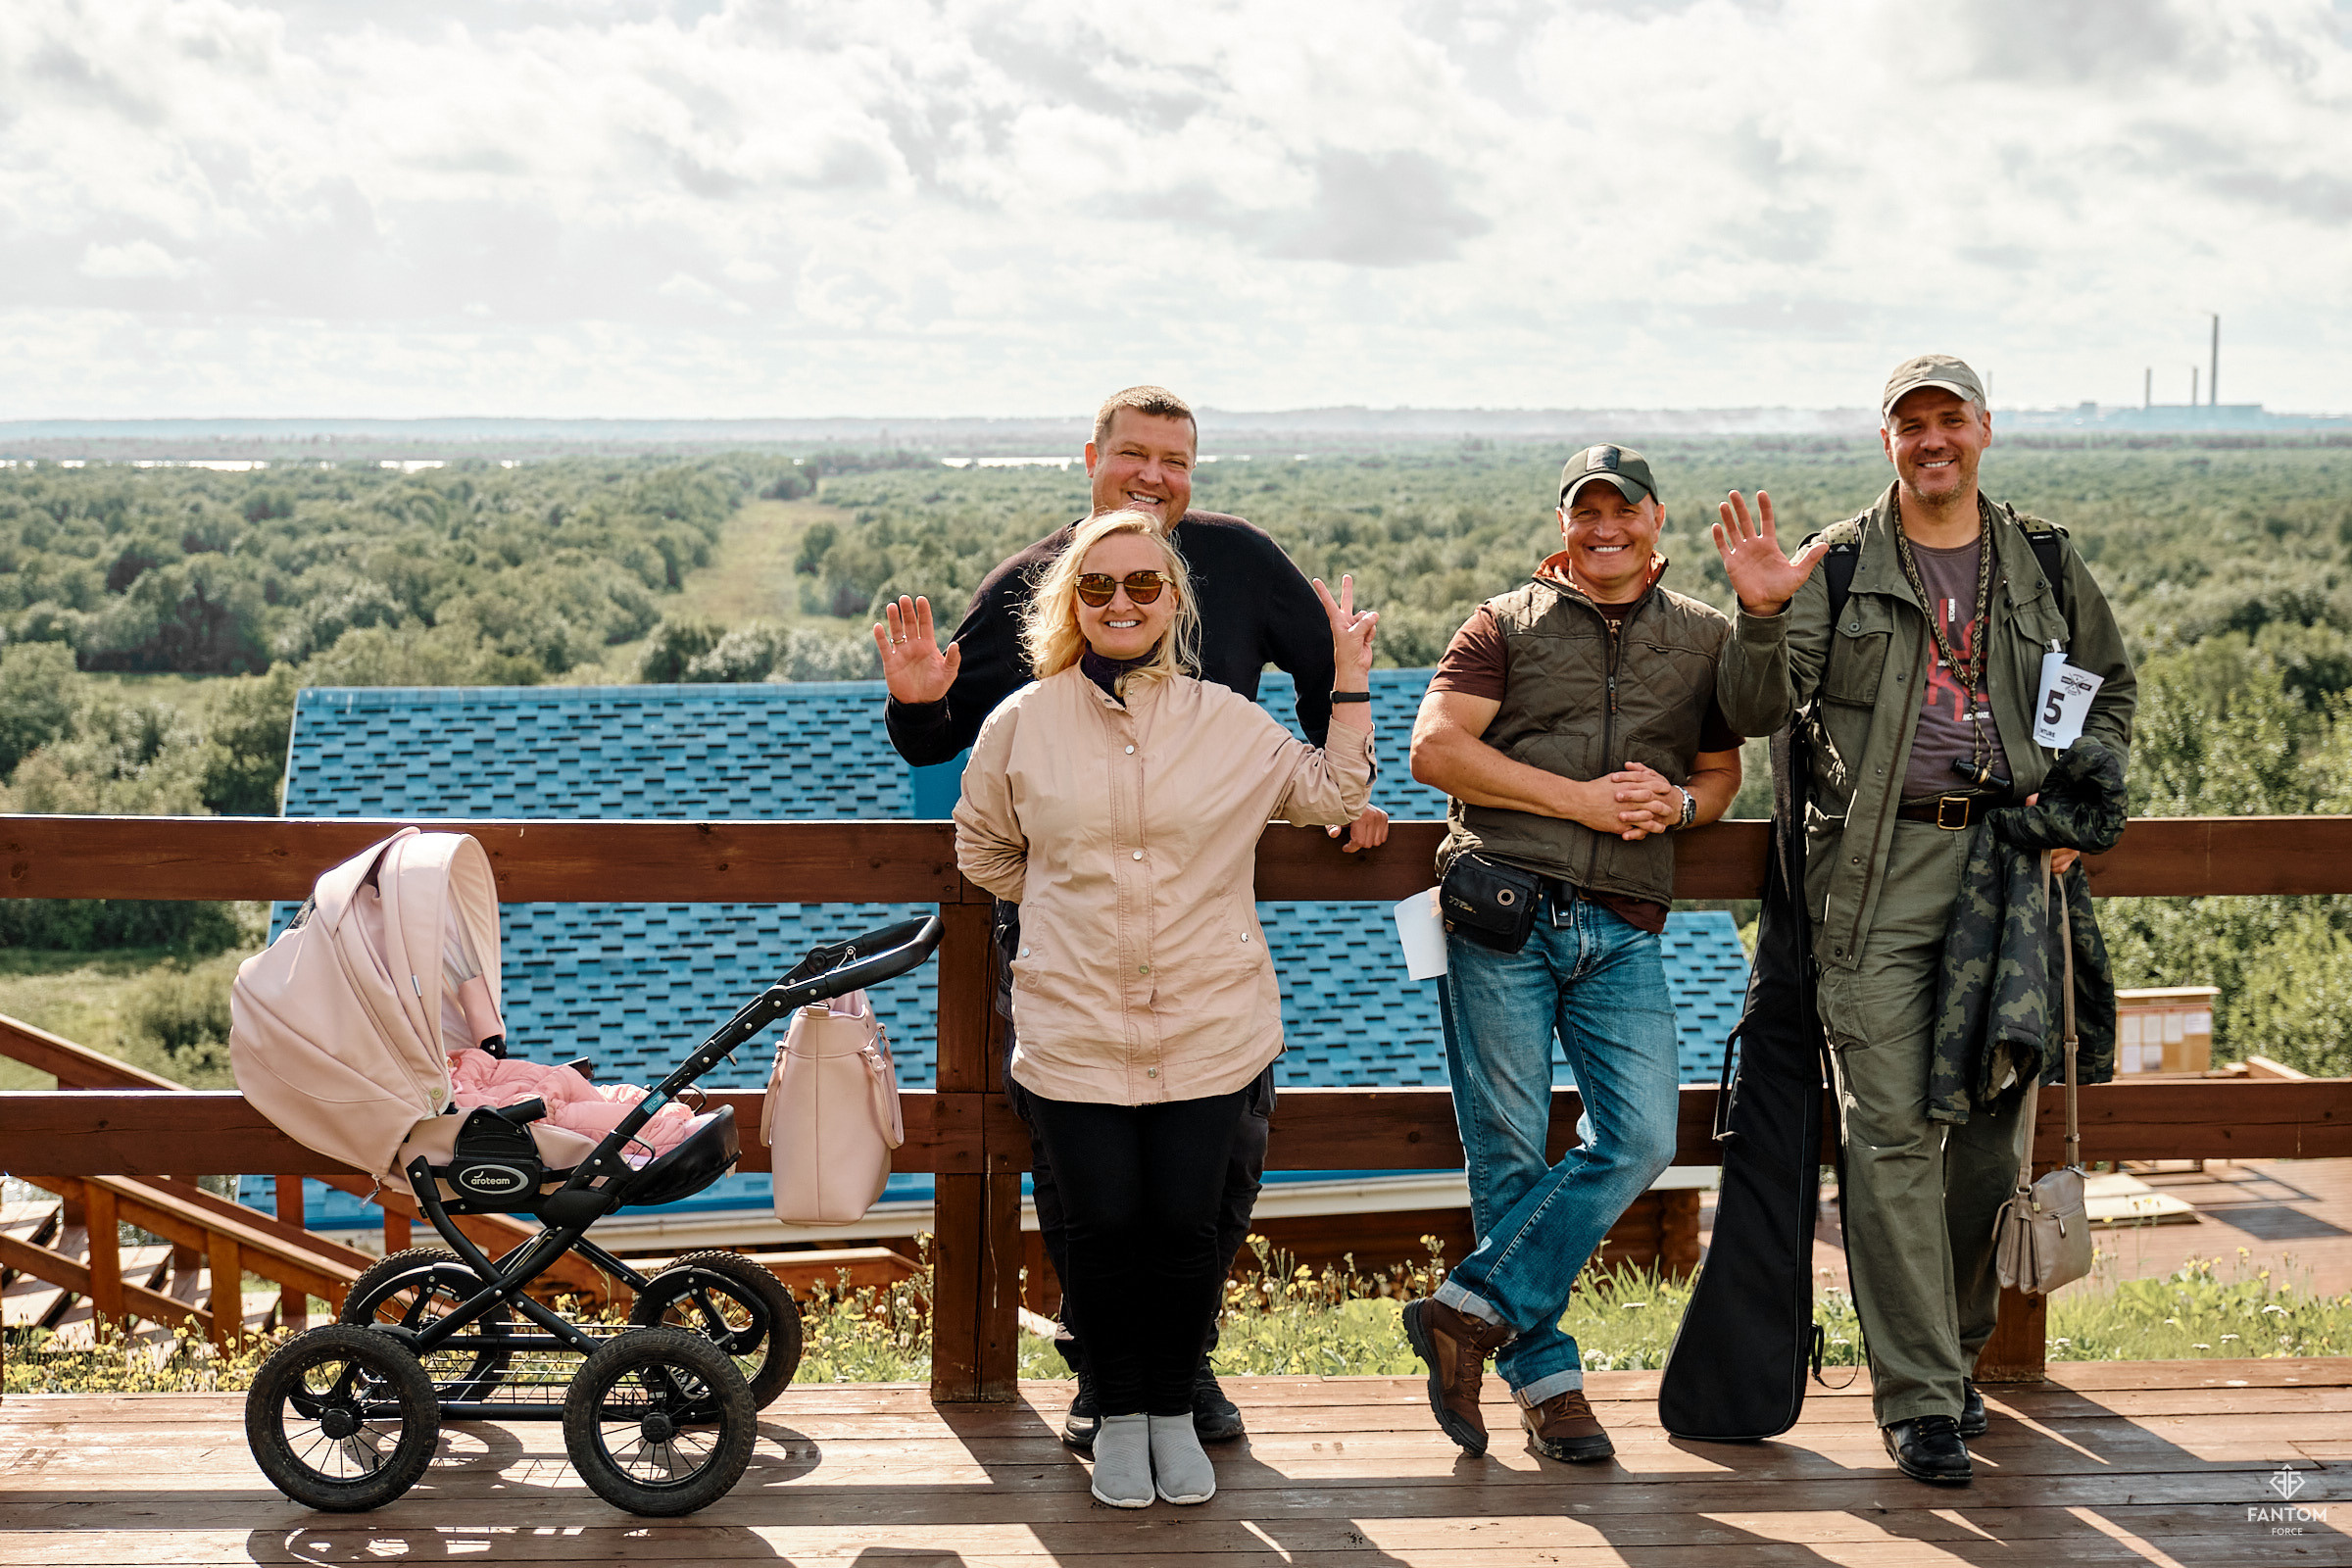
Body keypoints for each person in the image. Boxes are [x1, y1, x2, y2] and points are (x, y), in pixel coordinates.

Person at [877, 385, 1389, 1448]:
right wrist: (924, 699)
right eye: (1135, 454)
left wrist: (1341, 781)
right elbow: (945, 749)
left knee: (1215, 1172)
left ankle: (1181, 1371)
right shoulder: (1028, 584)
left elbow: (1323, 667)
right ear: (1091, 457)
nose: (1155, 475)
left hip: (1204, 946)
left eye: (1176, 459)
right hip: (1068, 953)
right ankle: (1104, 1377)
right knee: (1084, 1186)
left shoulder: (1240, 561)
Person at [1708, 353, 2135, 1486]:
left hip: (2011, 868)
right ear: (1886, 441)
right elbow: (1753, 706)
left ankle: (1953, 1354)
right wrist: (1759, 612)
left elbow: (2109, 685)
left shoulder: (2041, 558)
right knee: (1888, 1131)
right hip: (1879, 870)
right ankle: (1920, 1398)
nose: (1932, 439)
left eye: (1950, 420)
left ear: (1983, 431)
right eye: (1912, 424)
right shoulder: (1840, 565)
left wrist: (2072, 797)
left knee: (1993, 1130)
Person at [1399, 445, 1742, 1464]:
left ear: (1655, 521)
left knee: (1640, 1138)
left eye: (1623, 510)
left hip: (1625, 924)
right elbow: (1435, 748)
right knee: (1506, 1148)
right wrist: (1581, 801)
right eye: (1587, 510)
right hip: (1502, 913)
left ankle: (1467, 1306)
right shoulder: (1501, 623)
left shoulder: (1704, 638)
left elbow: (1720, 774)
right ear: (1565, 523)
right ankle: (1550, 1388)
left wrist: (1681, 806)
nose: (1607, 527)